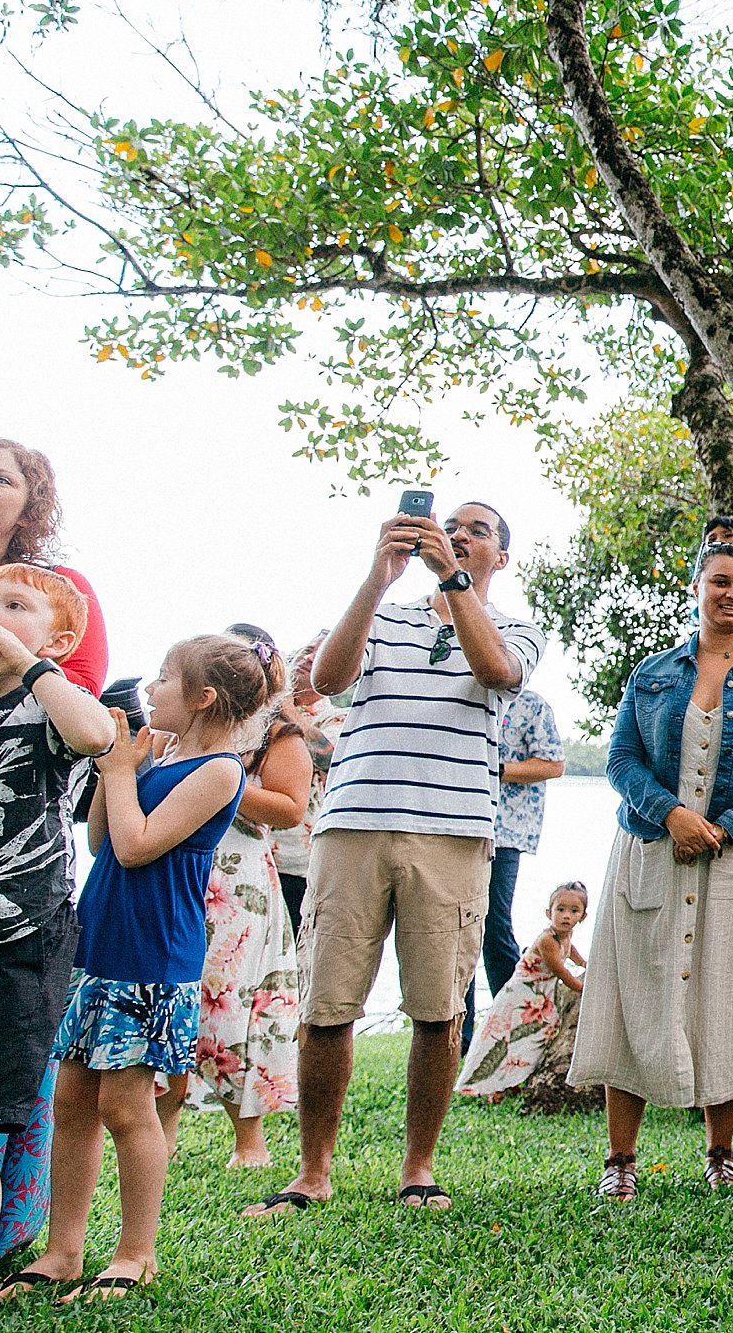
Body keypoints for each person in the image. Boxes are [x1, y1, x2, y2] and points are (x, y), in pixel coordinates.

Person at [246, 500, 542, 1219]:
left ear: (500, 557)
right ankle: (312, 1169)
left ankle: (419, 1168)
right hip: (353, 824)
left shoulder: (518, 627)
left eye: (478, 530)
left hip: (453, 831)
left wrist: (453, 582)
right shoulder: (384, 614)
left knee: (439, 1007)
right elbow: (335, 676)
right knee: (328, 1003)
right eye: (454, 525)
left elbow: (497, 672)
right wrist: (378, 578)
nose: (460, 534)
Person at [571, 541, 733, 1197]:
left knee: (725, 998)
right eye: (720, 582)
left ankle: (720, 1152)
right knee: (636, 993)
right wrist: (672, 814)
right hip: (652, 850)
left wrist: (726, 826)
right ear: (697, 586)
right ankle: (620, 1161)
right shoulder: (652, 671)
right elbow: (622, 760)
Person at [40, 637, 256, 1302]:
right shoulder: (162, 753)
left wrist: (120, 775)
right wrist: (117, 766)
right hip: (100, 941)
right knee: (72, 1098)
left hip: (152, 955)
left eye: (165, 677)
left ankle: (136, 1252)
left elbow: (136, 848)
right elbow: (103, 839)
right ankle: (63, 1251)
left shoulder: (221, 770)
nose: (150, 689)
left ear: (203, 696)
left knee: (126, 1105)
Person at [0, 441, 106, 1274]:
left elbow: (95, 733)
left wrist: (28, 662)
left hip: (12, 942)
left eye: (12, 603)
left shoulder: (51, 703)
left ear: (59, 635)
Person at [158, 626, 306, 1168]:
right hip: (183, 871)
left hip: (236, 883)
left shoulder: (278, 734)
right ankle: (162, 1134)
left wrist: (217, 781)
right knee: (178, 999)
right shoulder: (181, 734)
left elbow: (291, 808)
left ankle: (250, 1142)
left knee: (231, 1002)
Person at [0, 440, 108, 695]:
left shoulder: (57, 583)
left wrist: (8, 656)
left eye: (1, 480)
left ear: (29, 513)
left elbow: (87, 687)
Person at [468, 687, 564, 1046]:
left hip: (504, 831)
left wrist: (496, 769)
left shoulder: (531, 703)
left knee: (494, 927)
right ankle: (461, 1038)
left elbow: (554, 764)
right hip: (455, 825)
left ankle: (511, 1025)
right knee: (456, 930)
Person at [458, 883, 588, 1100]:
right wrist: (586, 989)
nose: (566, 916)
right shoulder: (547, 939)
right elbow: (561, 972)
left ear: (583, 916)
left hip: (538, 996)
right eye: (560, 909)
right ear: (549, 912)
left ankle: (513, 1079)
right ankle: (493, 1086)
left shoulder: (566, 935)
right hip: (521, 996)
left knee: (531, 1038)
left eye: (574, 911)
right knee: (504, 1039)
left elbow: (571, 952)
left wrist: (585, 963)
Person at [265, 632, 342, 935]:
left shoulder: (337, 719)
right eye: (308, 649)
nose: (310, 657)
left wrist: (287, 709)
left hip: (296, 863)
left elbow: (329, 758)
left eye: (321, 654)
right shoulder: (259, 711)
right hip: (248, 854)